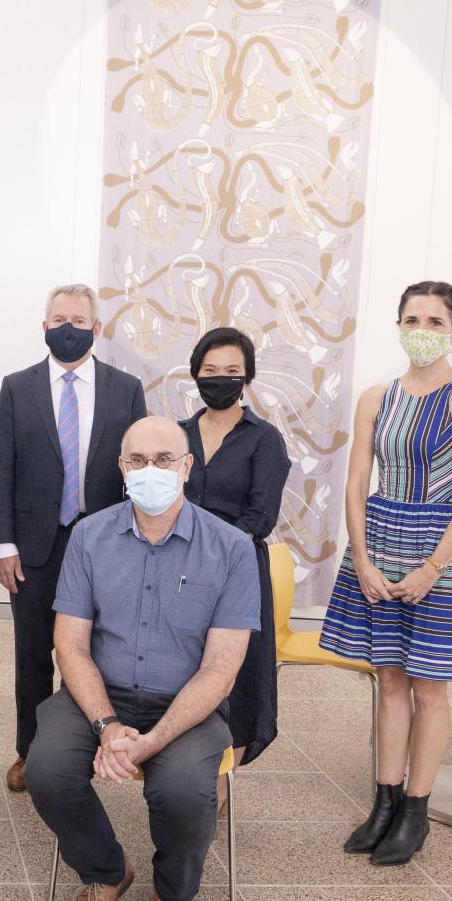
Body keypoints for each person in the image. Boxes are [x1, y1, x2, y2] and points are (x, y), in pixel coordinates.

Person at [26, 416, 257, 901]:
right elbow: (70, 646)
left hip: (187, 704)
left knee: (182, 790)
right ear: (121, 468)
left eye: (163, 459)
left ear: (186, 467)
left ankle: (174, 896)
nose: (150, 470)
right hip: (99, 695)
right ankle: (105, 871)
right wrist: (107, 726)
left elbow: (221, 669)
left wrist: (152, 741)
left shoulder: (231, 548)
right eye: (137, 460)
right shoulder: (89, 537)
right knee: (47, 769)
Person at [320, 281, 452, 867]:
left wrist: (433, 568)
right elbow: (355, 483)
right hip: (381, 539)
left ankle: (415, 812)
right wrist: (361, 557)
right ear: (398, 326)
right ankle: (385, 801)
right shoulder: (376, 397)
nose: (422, 331)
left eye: (435, 322)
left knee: (429, 684)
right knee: (390, 678)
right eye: (412, 320)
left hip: (442, 547)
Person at [0, 283, 146, 793]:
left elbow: (138, 468)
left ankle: (82, 750)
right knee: (34, 652)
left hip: (105, 545)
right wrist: (3, 545)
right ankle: (31, 752)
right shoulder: (18, 387)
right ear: (44, 327)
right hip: (36, 545)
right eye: (59, 320)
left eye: (79, 321)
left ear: (96, 329)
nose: (69, 329)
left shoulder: (126, 389)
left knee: (91, 653)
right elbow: (1, 467)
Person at [179, 327, 291, 797]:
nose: (219, 379)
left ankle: (222, 777)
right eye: (210, 370)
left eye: (231, 371)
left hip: (237, 569)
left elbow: (260, 516)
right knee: (183, 666)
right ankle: (179, 760)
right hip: (176, 568)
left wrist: (211, 552)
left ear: (247, 378)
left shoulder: (264, 439)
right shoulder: (178, 435)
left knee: (238, 674)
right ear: (195, 375)